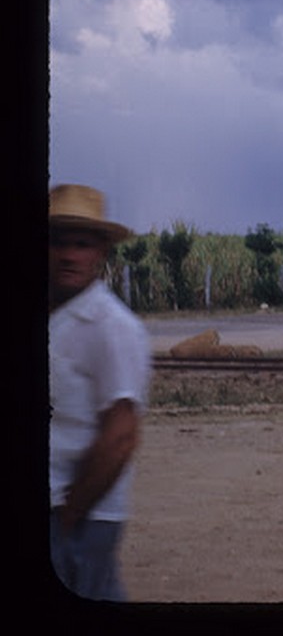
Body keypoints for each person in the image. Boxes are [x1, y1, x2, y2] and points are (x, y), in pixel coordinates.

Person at [49, 184, 153, 600]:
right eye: (58, 242)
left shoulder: (111, 326)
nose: (69, 255)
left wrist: (71, 515)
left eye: (82, 244)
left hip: (80, 516)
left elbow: (121, 436)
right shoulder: (58, 315)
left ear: (102, 253)